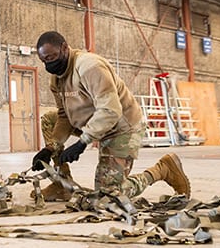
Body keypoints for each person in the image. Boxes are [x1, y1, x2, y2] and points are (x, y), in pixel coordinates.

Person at [31, 31, 191, 199]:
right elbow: (64, 115)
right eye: (44, 61)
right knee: (50, 119)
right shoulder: (56, 79)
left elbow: (111, 110)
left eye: (51, 57)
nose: (48, 65)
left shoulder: (89, 67)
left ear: (64, 48)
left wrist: (83, 142)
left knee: (108, 196)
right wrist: (51, 148)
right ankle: (61, 183)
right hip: (93, 122)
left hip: (122, 127)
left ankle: (163, 169)